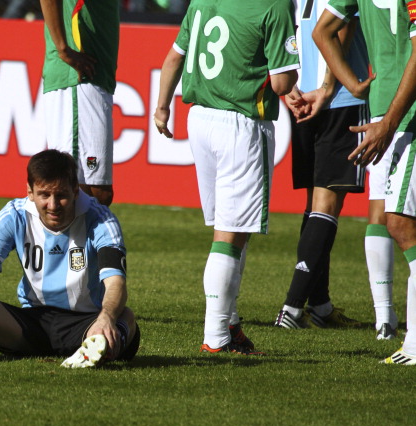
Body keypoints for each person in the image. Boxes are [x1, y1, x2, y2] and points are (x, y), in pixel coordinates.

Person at [153, 0, 299, 354]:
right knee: (230, 235)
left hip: (200, 118)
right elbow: (282, 83)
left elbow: (175, 56)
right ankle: (216, 337)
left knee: (233, 228)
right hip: (241, 122)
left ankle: (230, 325)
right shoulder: (274, 5)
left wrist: (161, 106)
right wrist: (293, 48)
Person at [0, 149, 139, 368]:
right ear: (30, 191)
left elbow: (115, 281)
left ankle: (92, 350)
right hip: (31, 325)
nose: (53, 205)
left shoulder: (101, 220)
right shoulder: (14, 215)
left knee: (124, 316)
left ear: (76, 190)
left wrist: (105, 317)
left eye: (61, 196)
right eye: (44, 195)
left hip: (86, 322)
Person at [313, 0, 416, 364]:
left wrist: (356, 89)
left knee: (398, 222)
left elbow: (321, 31)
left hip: (400, 113)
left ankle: (399, 332)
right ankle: (389, 323)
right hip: (387, 112)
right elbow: (321, 32)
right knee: (395, 219)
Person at [274, 0, 368, 330]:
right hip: (339, 97)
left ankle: (321, 306)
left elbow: (286, 29)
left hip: (302, 94)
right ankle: (292, 308)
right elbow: (342, 28)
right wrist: (329, 87)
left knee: (314, 206)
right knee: (326, 204)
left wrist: (288, 86)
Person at [38, 0, 119, 206]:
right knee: (81, 189)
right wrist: (63, 49)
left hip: (94, 78)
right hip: (77, 78)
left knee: (92, 192)